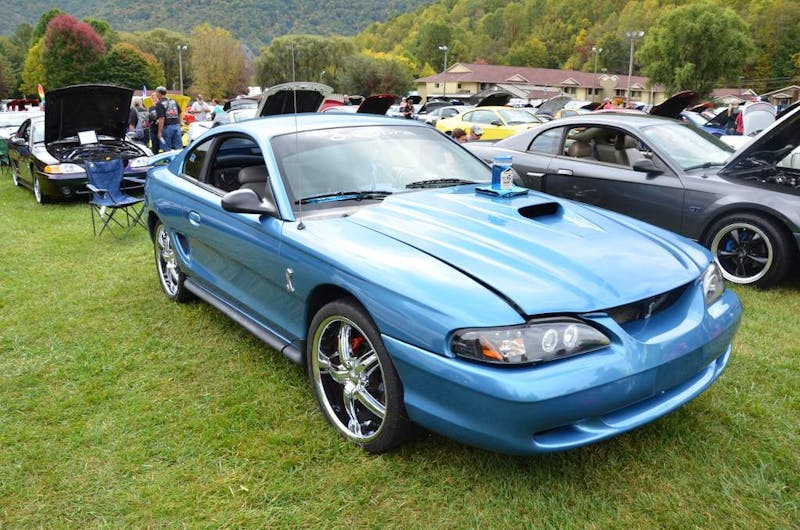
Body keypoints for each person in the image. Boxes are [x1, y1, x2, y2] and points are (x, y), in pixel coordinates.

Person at [154, 86, 182, 151]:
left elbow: (161, 118)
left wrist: (159, 132)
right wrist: (179, 123)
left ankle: (168, 161)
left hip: (167, 128)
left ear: (159, 93)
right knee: (178, 148)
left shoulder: (159, 103)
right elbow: (180, 112)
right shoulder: (173, 101)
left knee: (167, 148)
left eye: (156, 92)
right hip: (176, 126)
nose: (155, 94)